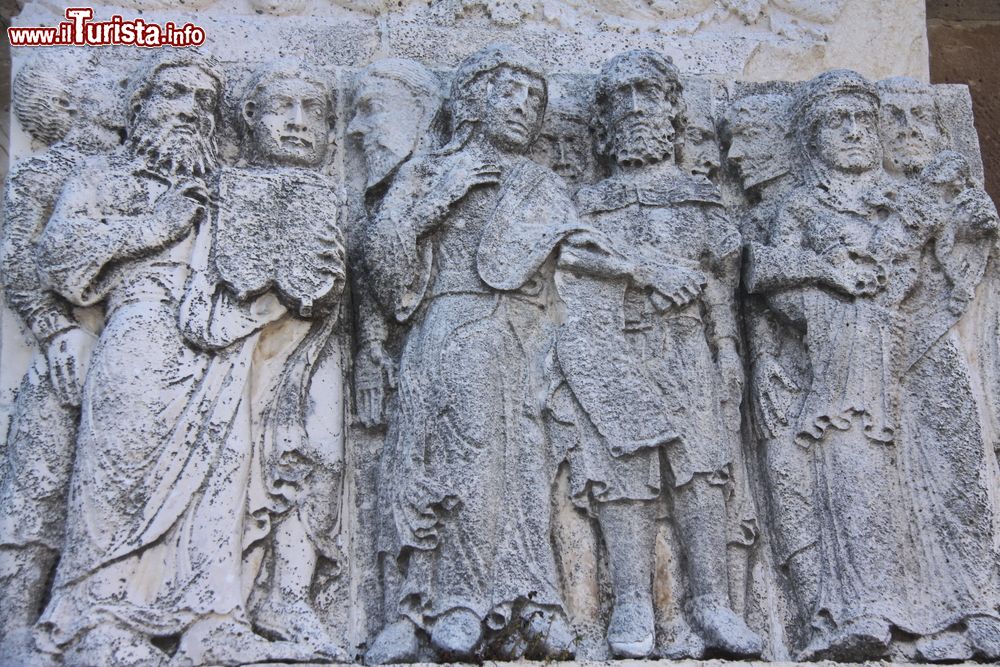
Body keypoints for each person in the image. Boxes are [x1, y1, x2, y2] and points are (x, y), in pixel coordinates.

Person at [34, 52, 333, 666]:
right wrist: (156, 224)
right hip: (139, 328)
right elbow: (59, 262)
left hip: (222, 338)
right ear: (138, 107)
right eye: (175, 94)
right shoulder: (105, 180)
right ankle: (101, 621)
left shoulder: (228, 187)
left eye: (203, 102)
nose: (191, 111)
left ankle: (211, 618)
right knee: (119, 471)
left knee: (221, 479)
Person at [747, 69, 1000, 661]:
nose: (855, 132)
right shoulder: (799, 207)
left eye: (864, 120)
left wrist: (968, 233)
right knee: (859, 482)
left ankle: (972, 607)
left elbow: (953, 268)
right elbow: (769, 284)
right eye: (838, 122)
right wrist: (829, 277)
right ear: (809, 141)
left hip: (923, 353)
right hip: (845, 366)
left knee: (952, 474)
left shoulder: (910, 197)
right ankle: (869, 609)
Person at [363, 44, 581, 661]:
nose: (523, 107)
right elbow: (382, 271)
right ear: (470, 99)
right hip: (441, 327)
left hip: (523, 336)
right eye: (509, 91)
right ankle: (430, 602)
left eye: (535, 99)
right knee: (440, 461)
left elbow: (575, 266)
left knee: (522, 469)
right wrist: (439, 200)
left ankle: (528, 599)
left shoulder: (541, 182)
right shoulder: (429, 171)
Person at [551, 49, 761, 658]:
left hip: (688, 346)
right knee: (624, 474)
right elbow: (565, 257)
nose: (637, 108)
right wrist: (640, 273)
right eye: (622, 97)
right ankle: (634, 604)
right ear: (604, 119)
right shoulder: (588, 202)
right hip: (611, 348)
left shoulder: (701, 199)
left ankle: (711, 602)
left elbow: (720, 283)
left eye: (649, 94)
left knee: (702, 471)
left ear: (673, 109)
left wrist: (727, 352)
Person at [0, 49, 120, 665]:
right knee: (41, 471)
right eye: (108, 85)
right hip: (70, 343)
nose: (121, 94)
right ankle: (17, 620)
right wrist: (51, 328)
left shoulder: (153, 171)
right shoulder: (51, 169)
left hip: (142, 347)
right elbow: (19, 254)